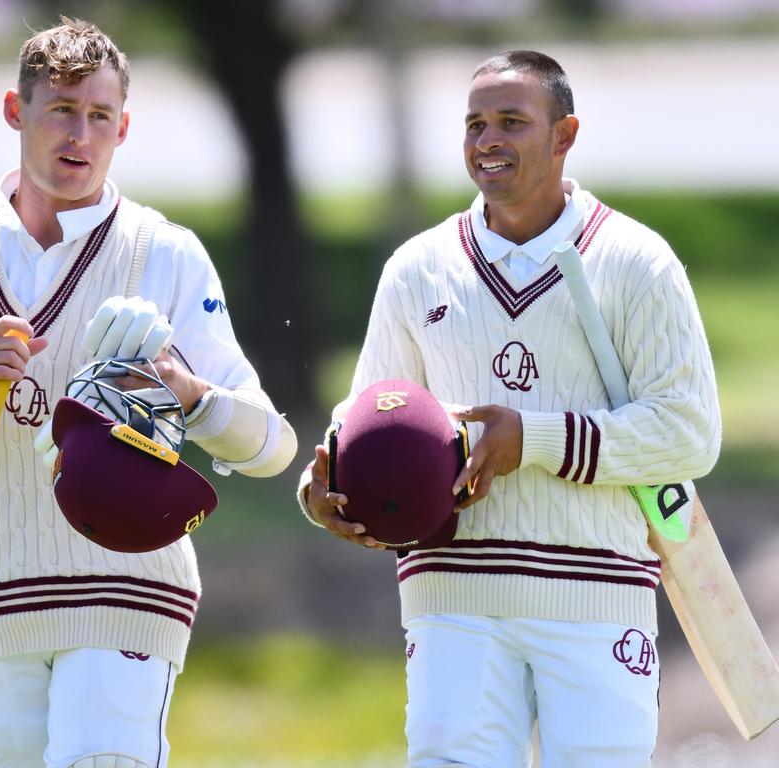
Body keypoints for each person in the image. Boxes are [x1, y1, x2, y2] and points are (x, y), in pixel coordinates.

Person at [0, 17, 296, 768]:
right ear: (14, 111)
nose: (79, 136)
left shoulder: (165, 254)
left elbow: (272, 448)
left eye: (98, 117)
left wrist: (183, 389)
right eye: (60, 110)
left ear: (123, 128)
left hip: (131, 582)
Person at [298, 49, 721, 768]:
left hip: (596, 597)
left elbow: (689, 433)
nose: (487, 140)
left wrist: (533, 439)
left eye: (511, 122)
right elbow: (369, 415)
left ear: (564, 135)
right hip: (452, 597)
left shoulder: (635, 262)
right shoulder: (418, 268)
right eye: (474, 124)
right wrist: (325, 490)